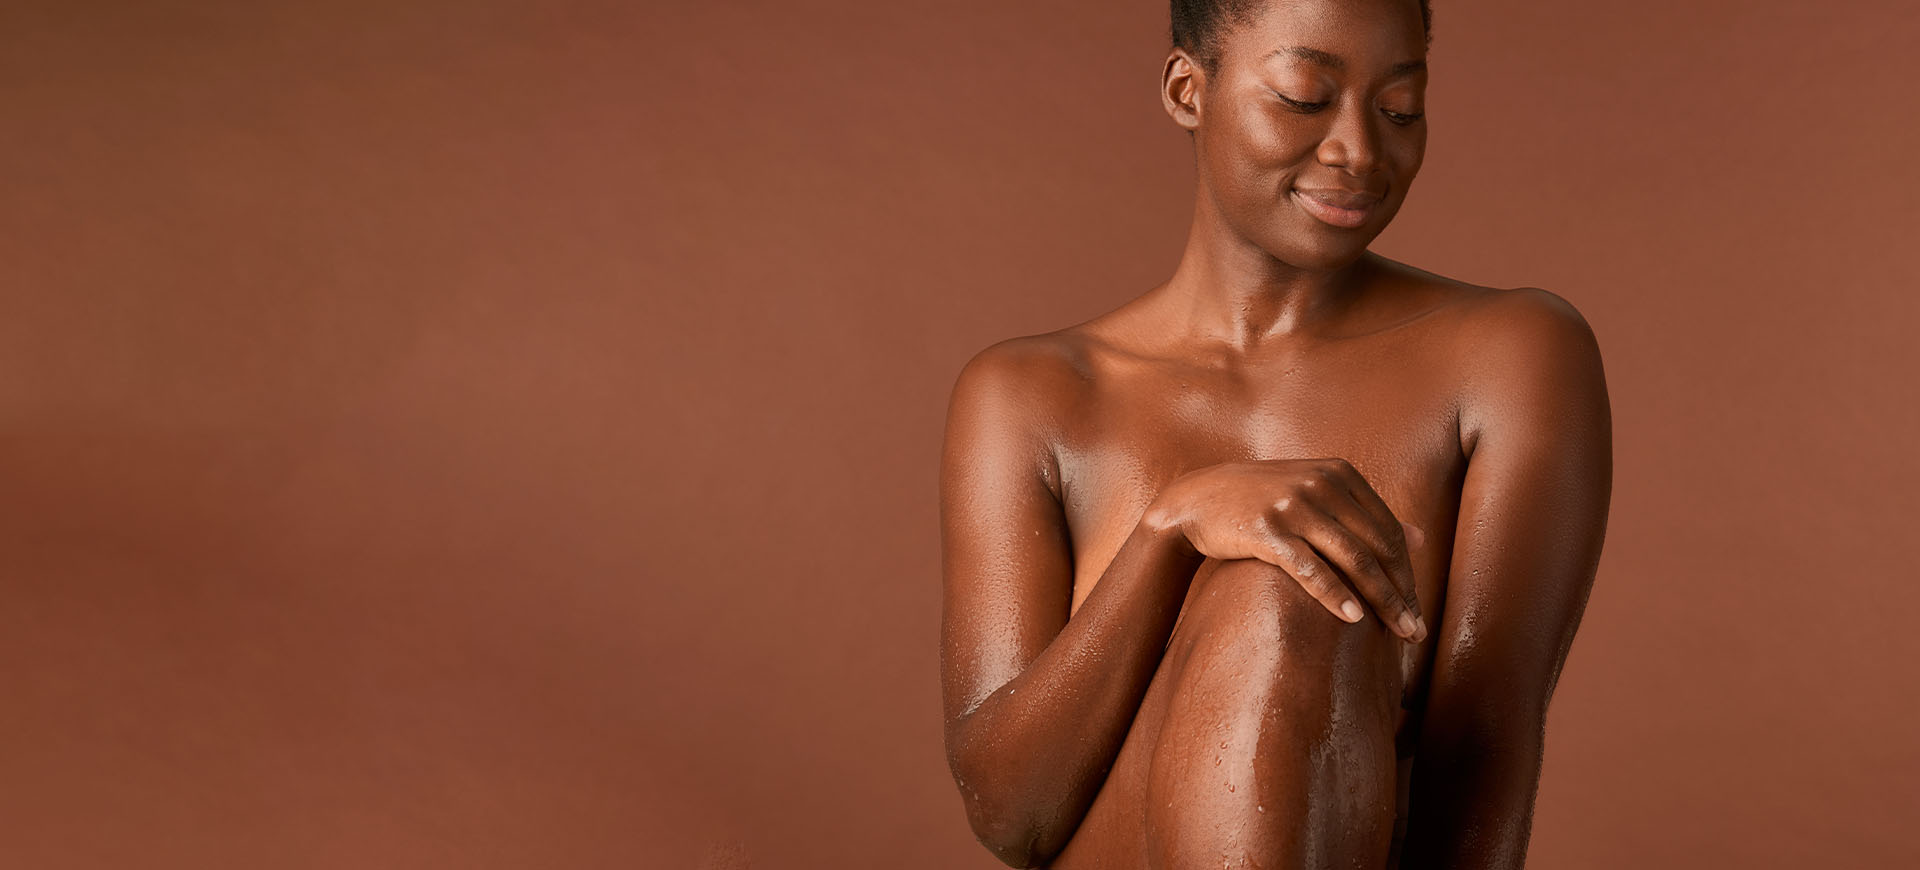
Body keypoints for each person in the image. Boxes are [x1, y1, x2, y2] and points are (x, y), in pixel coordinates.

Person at [937, 0, 1612, 867]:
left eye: (1401, 108)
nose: (1360, 152)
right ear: (1189, 90)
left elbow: (1485, 744)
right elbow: (1009, 814)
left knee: (1287, 591)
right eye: (1303, 96)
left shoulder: (1514, 356)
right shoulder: (1031, 395)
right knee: (1277, 572)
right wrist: (1170, 530)